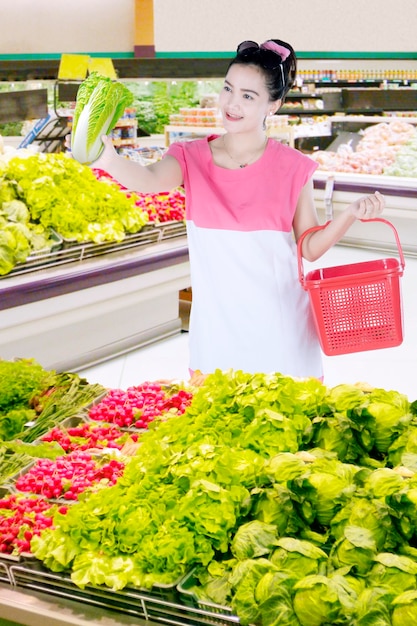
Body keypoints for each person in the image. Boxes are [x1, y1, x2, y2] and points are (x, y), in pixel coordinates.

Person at [79, 38, 385, 380]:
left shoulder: (294, 167)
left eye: (248, 96)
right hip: (217, 334)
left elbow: (309, 247)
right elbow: (149, 180)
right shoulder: (189, 156)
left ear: (274, 105)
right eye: (228, 89)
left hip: (282, 332)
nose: (231, 104)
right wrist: (108, 159)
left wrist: (348, 215)